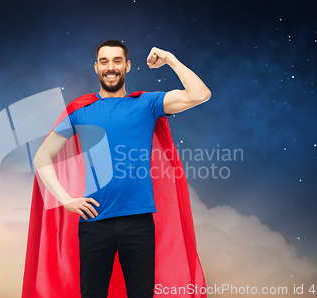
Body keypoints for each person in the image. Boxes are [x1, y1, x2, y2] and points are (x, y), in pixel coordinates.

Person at [27, 39, 211, 298]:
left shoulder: (146, 104)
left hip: (138, 222)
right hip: (94, 223)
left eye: (116, 61)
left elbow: (200, 94)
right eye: (104, 61)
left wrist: (169, 59)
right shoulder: (81, 112)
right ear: (96, 67)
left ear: (127, 66)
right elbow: (41, 158)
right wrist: (66, 200)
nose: (110, 67)